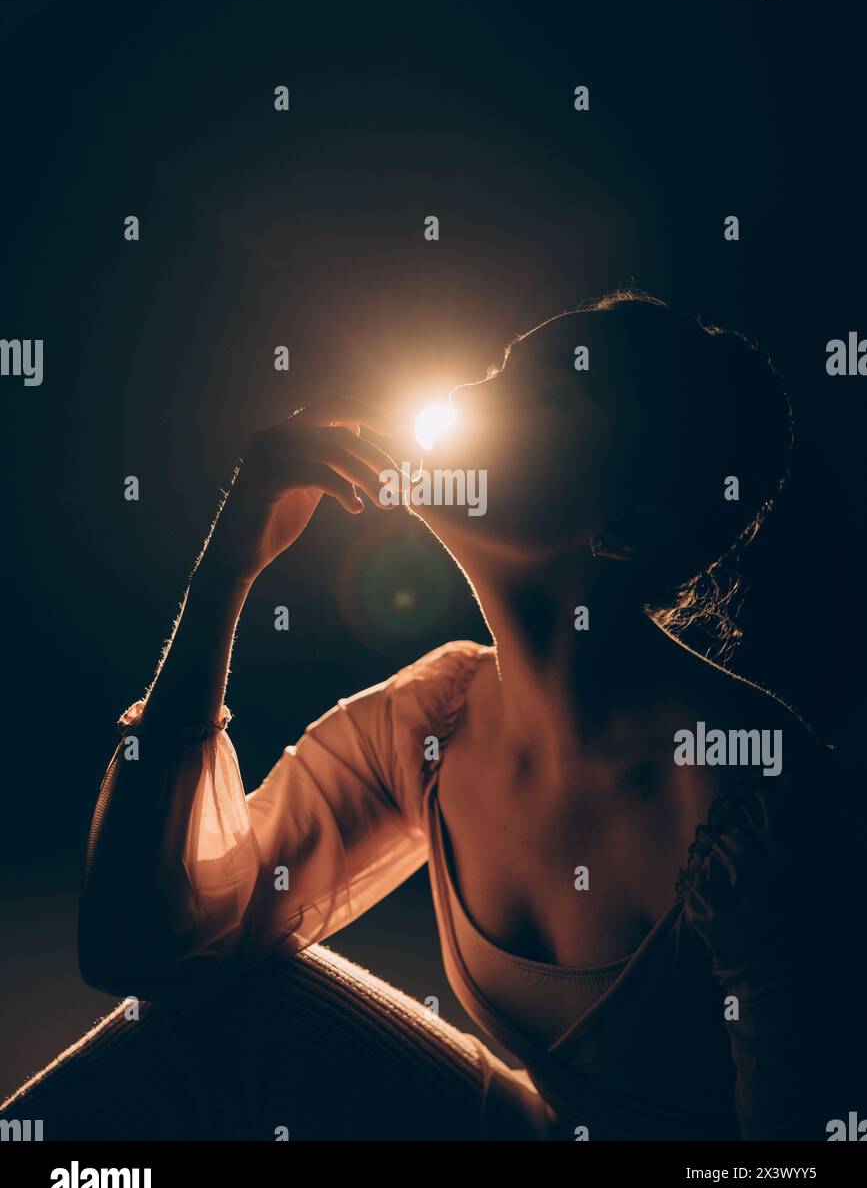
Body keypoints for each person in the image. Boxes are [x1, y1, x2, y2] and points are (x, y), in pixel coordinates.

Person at [3, 291, 863, 1141]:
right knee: (205, 1017)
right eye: (498, 368)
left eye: (548, 394)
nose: (465, 395)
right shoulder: (436, 716)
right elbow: (145, 950)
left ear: (626, 527)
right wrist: (226, 571)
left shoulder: (757, 811)